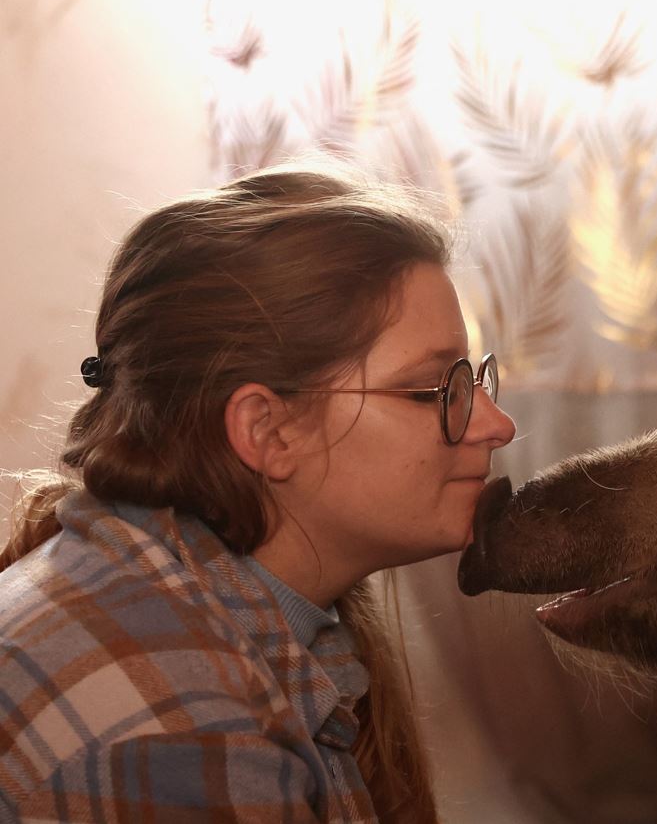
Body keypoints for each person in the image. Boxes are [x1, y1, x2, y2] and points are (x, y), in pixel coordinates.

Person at [0, 165, 516, 822]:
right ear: (267, 431)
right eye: (435, 390)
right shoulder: (176, 730)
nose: (496, 424)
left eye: (474, 379)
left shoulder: (210, 607)